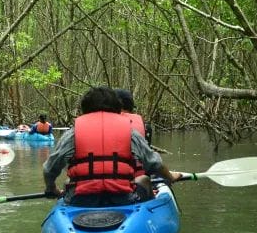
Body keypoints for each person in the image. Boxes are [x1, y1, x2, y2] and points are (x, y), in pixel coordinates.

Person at [43, 86, 181, 206]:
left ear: (85, 109)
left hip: (81, 200)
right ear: (116, 108)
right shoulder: (129, 132)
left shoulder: (73, 133)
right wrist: (170, 177)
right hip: (123, 199)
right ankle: (147, 213)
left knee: (68, 181)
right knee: (144, 180)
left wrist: (51, 189)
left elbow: (49, 169)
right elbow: (154, 163)